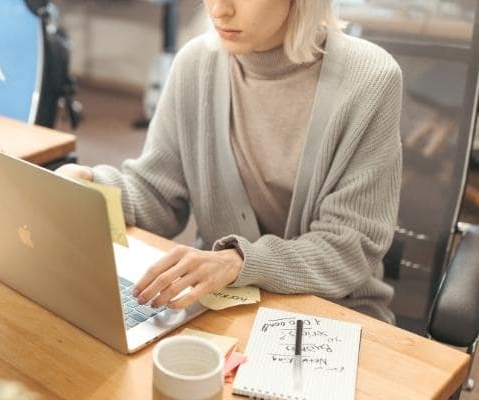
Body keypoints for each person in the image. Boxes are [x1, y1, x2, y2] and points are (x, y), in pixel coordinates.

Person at [56, 0, 402, 323]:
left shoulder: (370, 78)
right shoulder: (195, 64)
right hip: (222, 302)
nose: (219, 10)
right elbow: (158, 192)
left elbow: (348, 247)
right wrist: (94, 186)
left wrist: (238, 262)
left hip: (333, 310)